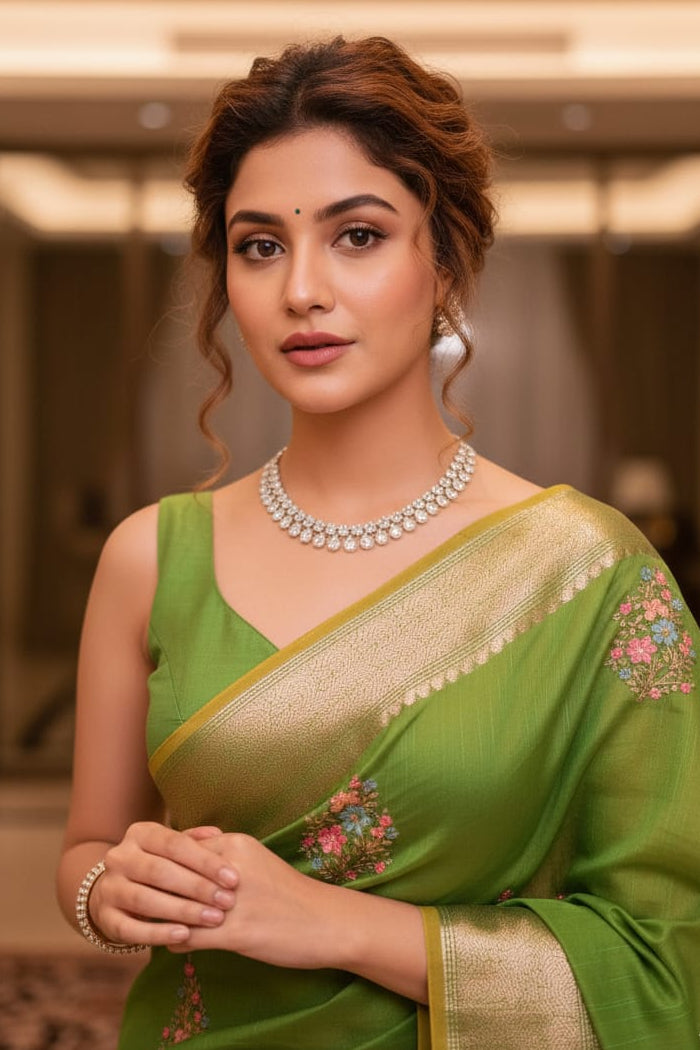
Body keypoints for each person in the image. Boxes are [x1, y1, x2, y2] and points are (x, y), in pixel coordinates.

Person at [56, 35, 700, 1050]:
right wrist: (108, 887)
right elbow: (88, 848)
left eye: (357, 235)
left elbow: (669, 960)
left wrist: (336, 925)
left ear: (443, 258)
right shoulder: (150, 555)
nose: (301, 289)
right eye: (259, 244)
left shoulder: (591, 572)